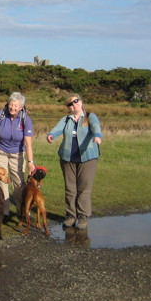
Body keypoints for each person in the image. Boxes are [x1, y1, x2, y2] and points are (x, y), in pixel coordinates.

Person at [46, 94, 102, 230]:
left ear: (81, 102)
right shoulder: (66, 119)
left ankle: (82, 216)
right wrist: (51, 135)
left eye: (76, 101)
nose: (74, 105)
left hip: (87, 157)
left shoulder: (90, 117)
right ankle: (71, 215)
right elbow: (58, 128)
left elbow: (95, 127)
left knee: (84, 188)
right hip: (67, 158)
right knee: (70, 189)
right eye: (70, 104)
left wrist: (97, 136)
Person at [0, 92, 35, 220]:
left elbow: (28, 143)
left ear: (21, 107)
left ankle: (23, 212)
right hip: (0, 150)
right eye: (11, 104)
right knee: (2, 182)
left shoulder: (25, 119)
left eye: (15, 105)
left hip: (17, 153)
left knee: (19, 183)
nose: (12, 107)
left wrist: (30, 162)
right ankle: (4, 211)